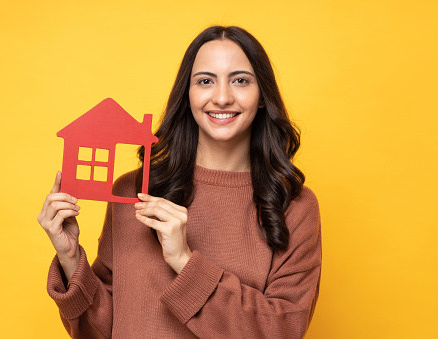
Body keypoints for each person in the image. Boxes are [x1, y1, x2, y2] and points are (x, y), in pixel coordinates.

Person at [37, 26, 321, 338]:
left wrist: (185, 262)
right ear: (188, 95)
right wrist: (70, 257)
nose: (222, 97)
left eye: (240, 80)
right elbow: (103, 330)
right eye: (205, 81)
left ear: (263, 96)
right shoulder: (132, 192)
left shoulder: (294, 206)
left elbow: (282, 330)